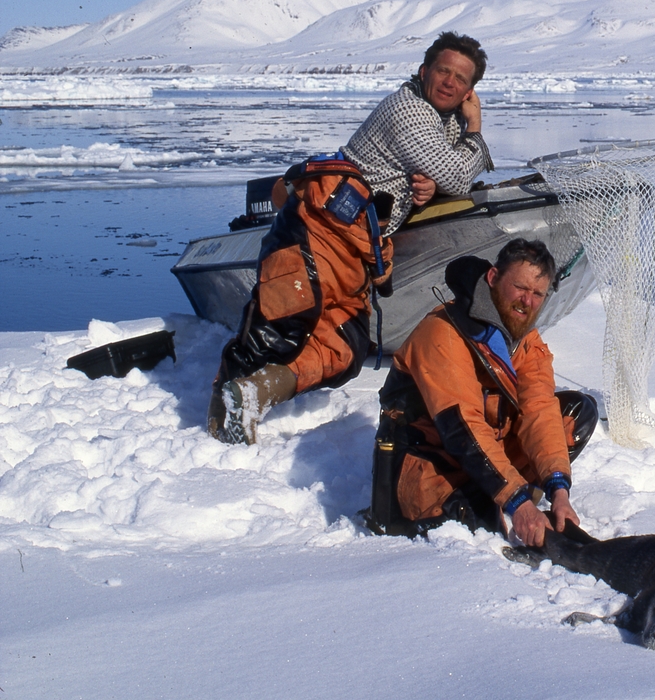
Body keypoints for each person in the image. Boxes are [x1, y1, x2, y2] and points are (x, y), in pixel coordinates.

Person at [367, 239, 598, 546]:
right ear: (492, 278)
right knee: (477, 530)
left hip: (480, 456)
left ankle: (505, 492)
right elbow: (463, 427)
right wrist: (517, 501)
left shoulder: (524, 339)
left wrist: (559, 490)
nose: (526, 301)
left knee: (574, 414)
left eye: (537, 294)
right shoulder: (443, 332)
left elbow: (540, 409)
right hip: (431, 469)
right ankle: (500, 496)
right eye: (519, 287)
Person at [207, 156, 394, 445]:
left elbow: (282, 196)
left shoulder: (307, 194)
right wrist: (384, 272)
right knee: (343, 351)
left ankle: (219, 420)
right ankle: (254, 393)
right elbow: (376, 257)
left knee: (260, 342)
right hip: (317, 279)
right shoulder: (358, 201)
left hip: (280, 264)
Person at [341, 30, 494, 235]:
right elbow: (460, 178)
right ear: (424, 72)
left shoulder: (446, 113)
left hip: (372, 228)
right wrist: (474, 123)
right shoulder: (409, 110)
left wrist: (436, 185)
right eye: (443, 70)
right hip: (346, 228)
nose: (449, 82)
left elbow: (448, 173)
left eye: (460, 78)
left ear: (468, 92)